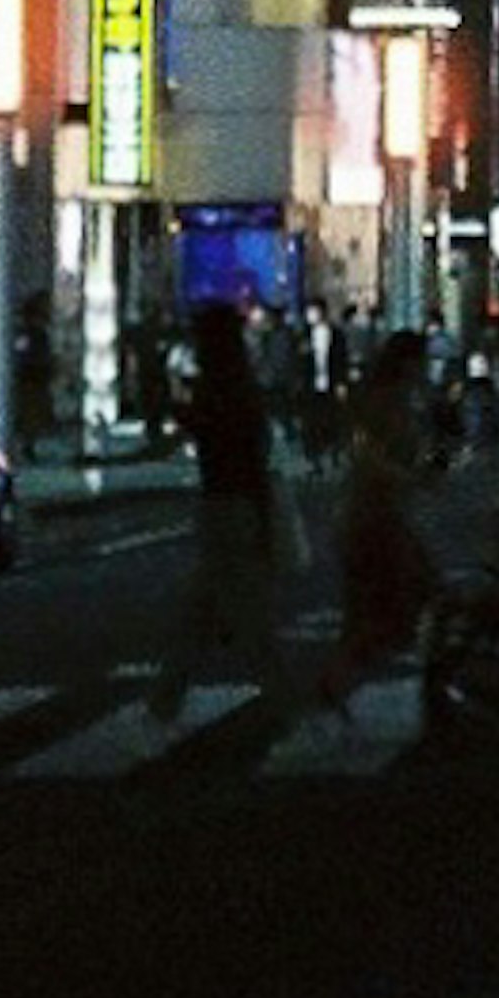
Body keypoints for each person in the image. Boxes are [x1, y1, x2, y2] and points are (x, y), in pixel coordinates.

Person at [149, 298, 298, 730]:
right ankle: (164, 703)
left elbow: (197, 430)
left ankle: (167, 703)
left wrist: (174, 405)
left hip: (223, 508)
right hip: (240, 507)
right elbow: (252, 456)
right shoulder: (240, 387)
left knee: (233, 617)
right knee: (215, 612)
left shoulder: (216, 389)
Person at [315, 330, 438, 717]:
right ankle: (335, 686)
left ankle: (339, 684)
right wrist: (409, 476)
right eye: (422, 361)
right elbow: (365, 453)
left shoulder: (399, 402)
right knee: (394, 607)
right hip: (370, 520)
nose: (426, 369)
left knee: (398, 605)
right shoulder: (384, 401)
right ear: (407, 363)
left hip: (381, 517)